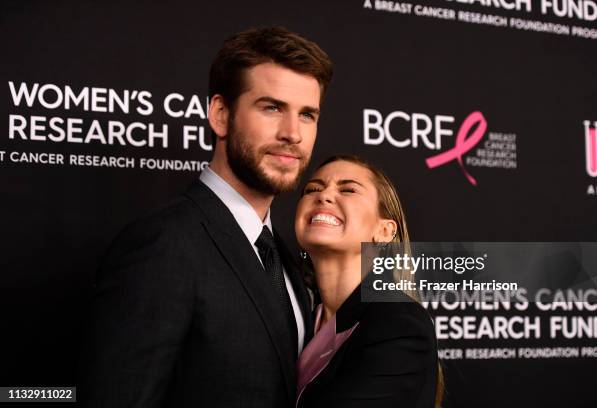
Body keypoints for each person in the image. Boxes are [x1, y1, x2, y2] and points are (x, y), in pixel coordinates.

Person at [79, 27, 333, 408]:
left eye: (307, 115)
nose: (292, 134)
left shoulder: (285, 257)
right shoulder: (163, 245)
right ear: (219, 115)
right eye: (272, 107)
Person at [294, 155, 443, 408]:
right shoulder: (295, 314)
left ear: (384, 231)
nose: (324, 195)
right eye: (313, 189)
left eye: (348, 189)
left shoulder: (400, 324)